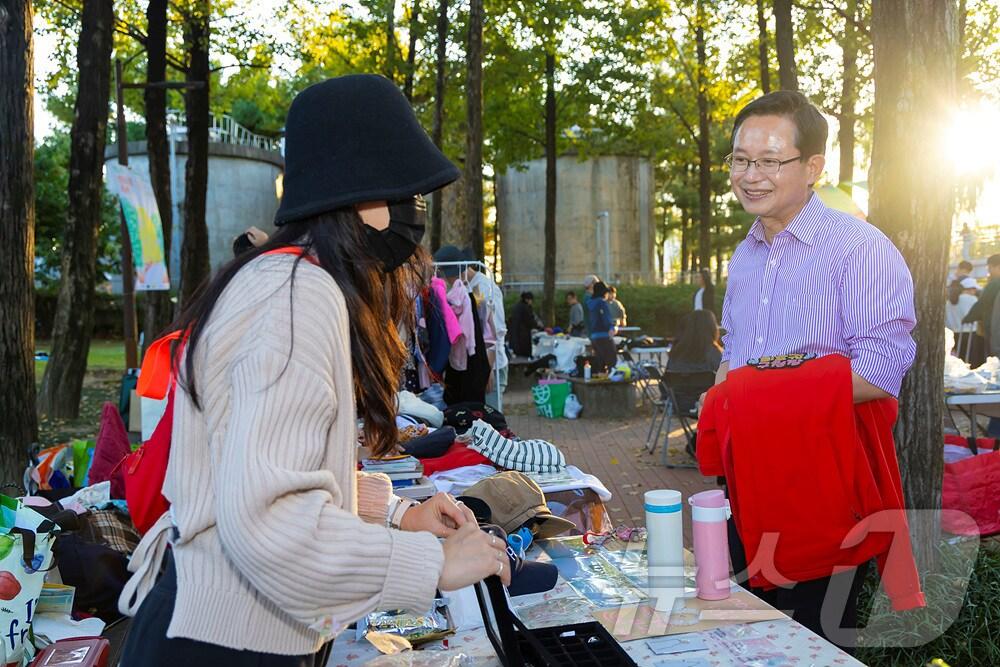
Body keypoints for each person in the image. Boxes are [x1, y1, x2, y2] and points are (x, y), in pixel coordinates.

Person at [118, 75, 510, 666]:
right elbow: (269, 521)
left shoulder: (289, 279)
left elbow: (267, 473)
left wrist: (399, 512)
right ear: (355, 195)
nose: (414, 213)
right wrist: (431, 563)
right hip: (222, 644)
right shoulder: (294, 294)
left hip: (229, 626)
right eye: (405, 192)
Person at [710, 91, 920, 651]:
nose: (750, 175)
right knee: (747, 631)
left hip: (820, 485)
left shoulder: (859, 249)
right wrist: (724, 402)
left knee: (817, 643)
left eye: (769, 161)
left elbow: (879, 371)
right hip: (745, 479)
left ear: (813, 167)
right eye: (739, 159)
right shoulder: (746, 254)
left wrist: (759, 396)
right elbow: (734, 351)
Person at [463, 252, 508, 410]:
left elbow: (494, 332)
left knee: (494, 421)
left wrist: (487, 370)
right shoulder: (470, 286)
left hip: (492, 366)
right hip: (483, 365)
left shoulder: (482, 288)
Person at [962, 254, 1000, 357]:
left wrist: (969, 317)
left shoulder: (995, 283)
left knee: (994, 359)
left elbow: (982, 303)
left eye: (990, 268)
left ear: (997, 267)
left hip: (994, 327)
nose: (989, 271)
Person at [947, 277, 983, 366]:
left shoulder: (949, 301)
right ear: (971, 289)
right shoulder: (972, 299)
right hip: (970, 335)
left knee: (959, 362)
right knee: (971, 363)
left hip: (954, 335)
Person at [588, 281, 618, 373]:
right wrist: (612, 327)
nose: (607, 294)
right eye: (606, 292)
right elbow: (606, 318)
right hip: (604, 336)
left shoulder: (590, 303)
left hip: (594, 336)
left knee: (600, 362)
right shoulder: (601, 303)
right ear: (602, 292)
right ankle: (613, 384)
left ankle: (600, 382)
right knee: (612, 361)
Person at [509, 292, 540, 358]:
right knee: (524, 354)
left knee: (518, 353)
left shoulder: (517, 306)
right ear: (527, 300)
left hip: (515, 334)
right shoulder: (526, 308)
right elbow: (530, 321)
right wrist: (538, 327)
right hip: (523, 335)